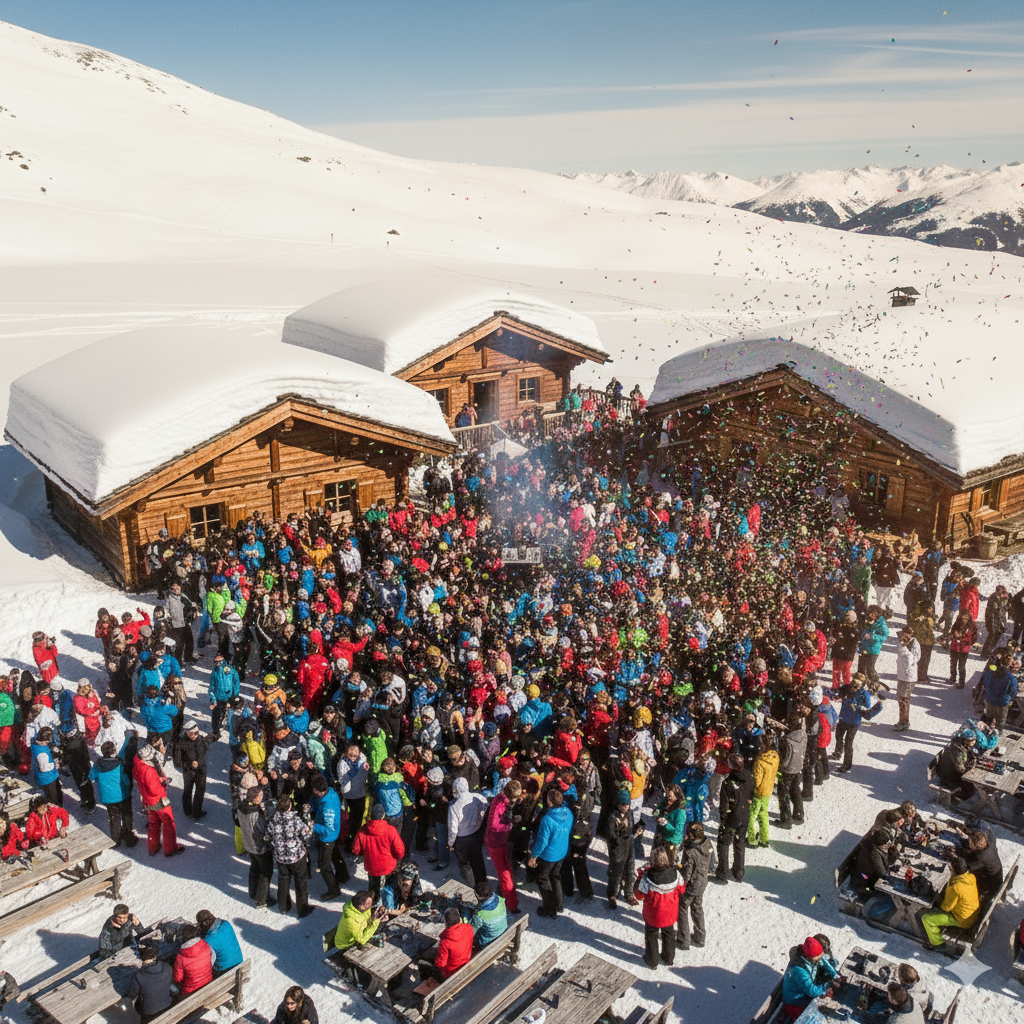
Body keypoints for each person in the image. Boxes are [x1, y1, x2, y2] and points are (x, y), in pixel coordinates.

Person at [634, 846, 685, 969]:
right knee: (669, 934)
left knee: (651, 935)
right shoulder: (676, 874)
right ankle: (668, 958)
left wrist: (639, 879)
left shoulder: (647, 878)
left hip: (653, 914)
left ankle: (652, 960)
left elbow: (639, 895)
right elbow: (682, 889)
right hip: (670, 913)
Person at [133, 738, 185, 857]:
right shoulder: (148, 770)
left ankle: (153, 847)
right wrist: (163, 782)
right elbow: (154, 789)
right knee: (168, 823)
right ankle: (170, 849)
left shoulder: (138, 765)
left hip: (147, 801)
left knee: (153, 823)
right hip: (158, 800)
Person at [528, 787, 573, 919]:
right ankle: (559, 904)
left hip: (549, 855)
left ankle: (549, 908)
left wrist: (533, 856)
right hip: (562, 851)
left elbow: (542, 841)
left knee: (542, 878)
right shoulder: (568, 813)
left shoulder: (547, 819)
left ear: (550, 802)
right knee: (555, 876)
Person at [267, 796, 314, 918]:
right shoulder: (296, 820)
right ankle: (302, 908)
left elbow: (268, 835)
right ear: (289, 806)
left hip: (281, 857)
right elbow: (308, 834)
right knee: (301, 881)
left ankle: (283, 906)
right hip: (297, 856)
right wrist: (309, 820)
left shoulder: (273, 821)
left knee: (283, 880)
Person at [920, 856, 980, 952]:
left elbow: (946, 908)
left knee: (926, 918)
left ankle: (937, 943)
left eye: (950, 868)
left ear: (954, 870)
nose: (949, 868)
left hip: (962, 920)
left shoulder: (956, 887)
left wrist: (937, 902)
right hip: (971, 913)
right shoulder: (970, 877)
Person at [90, 740, 138, 848]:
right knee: (126, 815)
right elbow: (125, 780)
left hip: (107, 798)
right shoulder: (119, 764)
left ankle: (115, 840)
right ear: (113, 752)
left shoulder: (98, 764)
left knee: (113, 817)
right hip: (122, 795)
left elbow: (91, 777)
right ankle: (129, 839)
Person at [484, 779, 521, 914]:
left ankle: (507, 893)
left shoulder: (502, 800)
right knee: (504, 873)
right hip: (495, 843)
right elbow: (494, 825)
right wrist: (509, 825)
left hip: (501, 841)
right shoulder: (500, 804)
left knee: (507, 868)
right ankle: (512, 904)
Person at [715, 754, 753, 883]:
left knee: (724, 843)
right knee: (740, 842)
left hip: (732, 818)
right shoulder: (750, 777)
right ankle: (739, 871)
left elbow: (724, 804)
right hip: (744, 815)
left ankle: (723, 871)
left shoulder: (728, 783)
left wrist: (723, 818)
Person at [310, 775, 349, 900]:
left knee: (324, 865)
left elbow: (328, 829)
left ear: (317, 791)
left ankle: (334, 889)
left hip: (328, 838)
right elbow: (317, 802)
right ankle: (343, 875)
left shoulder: (328, 807)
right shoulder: (330, 793)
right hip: (334, 834)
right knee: (335, 854)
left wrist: (313, 826)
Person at [781, 936, 839, 1017]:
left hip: (805, 995)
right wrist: (827, 986)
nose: (820, 960)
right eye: (817, 959)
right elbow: (812, 991)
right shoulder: (799, 969)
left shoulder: (807, 954)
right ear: (810, 958)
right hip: (795, 1003)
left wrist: (834, 975)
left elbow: (823, 961)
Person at [237, 785, 275, 908]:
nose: (262, 797)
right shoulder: (256, 814)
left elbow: (237, 821)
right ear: (255, 799)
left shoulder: (241, 807)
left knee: (254, 868)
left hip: (248, 844)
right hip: (259, 846)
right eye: (260, 796)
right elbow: (264, 830)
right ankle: (262, 899)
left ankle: (253, 892)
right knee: (266, 871)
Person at [447, 777, 488, 889]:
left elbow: (452, 828)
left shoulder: (453, 806)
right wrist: (479, 820)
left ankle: (471, 886)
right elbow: (485, 808)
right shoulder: (478, 797)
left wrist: (450, 843)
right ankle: (483, 883)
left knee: (464, 863)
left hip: (462, 838)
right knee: (478, 858)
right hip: (476, 833)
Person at [127, 944, 173, 1024]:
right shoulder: (167, 967)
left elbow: (132, 995)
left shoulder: (138, 976)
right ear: (154, 957)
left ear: (141, 958)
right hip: (167, 1003)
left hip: (149, 1011)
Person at [176, 720, 212, 821]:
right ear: (186, 733)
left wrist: (199, 762)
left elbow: (204, 753)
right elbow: (178, 760)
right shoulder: (181, 743)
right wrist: (189, 764)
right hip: (188, 771)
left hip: (201, 770)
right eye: (190, 733)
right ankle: (187, 811)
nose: (193, 735)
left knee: (200, 790)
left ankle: (197, 812)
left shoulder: (201, 739)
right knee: (188, 790)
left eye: (196, 733)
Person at [747, 735, 779, 849]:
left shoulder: (760, 761)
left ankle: (752, 840)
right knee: (763, 813)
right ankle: (765, 839)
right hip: (768, 789)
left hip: (759, 792)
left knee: (752, 815)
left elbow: (756, 780)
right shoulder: (775, 756)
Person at [962, 828, 1003, 907]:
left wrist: (963, 855)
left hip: (992, 880)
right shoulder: (989, 845)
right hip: (997, 870)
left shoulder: (981, 856)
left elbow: (970, 866)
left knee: (972, 876)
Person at [171, 923, 214, 995]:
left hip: (190, 992)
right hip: (208, 983)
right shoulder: (205, 945)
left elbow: (177, 979)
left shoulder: (180, 957)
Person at [196, 910, 243, 974]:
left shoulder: (208, 939)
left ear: (204, 923)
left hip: (223, 969)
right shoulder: (226, 924)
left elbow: (209, 960)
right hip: (239, 961)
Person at [433, 907, 474, 978]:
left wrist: (436, 959)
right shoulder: (469, 927)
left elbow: (441, 964)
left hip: (451, 972)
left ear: (446, 922)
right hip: (465, 961)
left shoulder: (445, 942)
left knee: (422, 962)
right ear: (459, 918)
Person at [894, 628, 921, 732]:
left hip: (909, 677)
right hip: (901, 674)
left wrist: (904, 647)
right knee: (900, 698)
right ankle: (903, 720)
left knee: (904, 699)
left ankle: (904, 722)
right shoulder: (901, 642)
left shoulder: (914, 644)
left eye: (906, 635)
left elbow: (912, 659)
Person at [469, 880, 507, 947]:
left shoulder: (480, 915)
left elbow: (470, 931)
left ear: (481, 897)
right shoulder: (500, 899)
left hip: (487, 941)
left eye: (476, 895)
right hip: (503, 931)